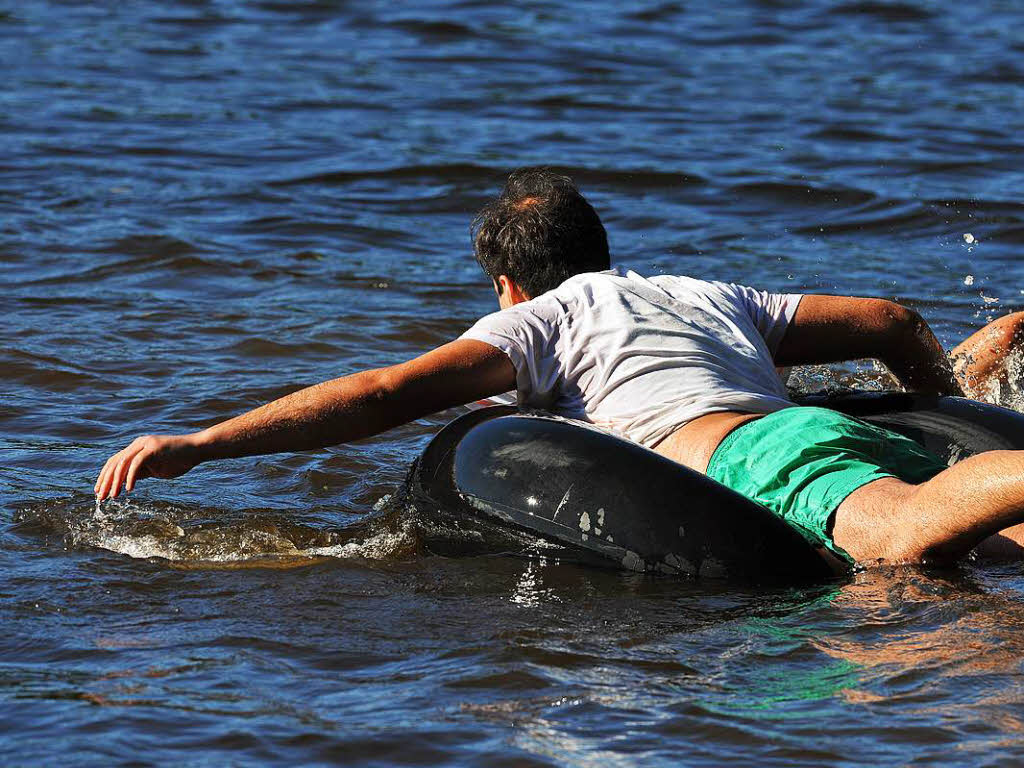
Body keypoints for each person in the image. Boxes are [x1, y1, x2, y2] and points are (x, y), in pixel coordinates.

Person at [94, 167, 1024, 566]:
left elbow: (384, 394)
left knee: (896, 536)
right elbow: (890, 319)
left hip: (752, 456)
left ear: (506, 285)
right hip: (815, 433)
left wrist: (203, 443)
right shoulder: (695, 292)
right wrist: (949, 403)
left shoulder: (543, 317)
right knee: (975, 563)